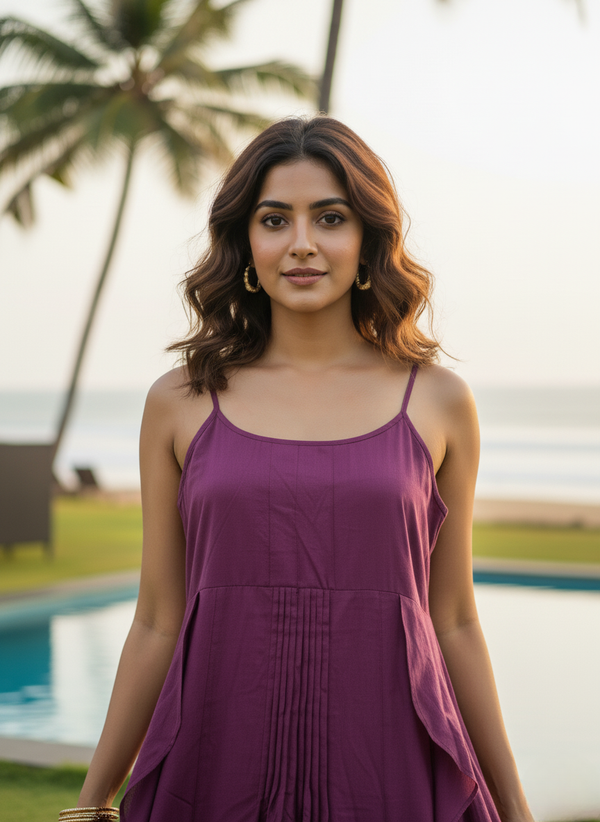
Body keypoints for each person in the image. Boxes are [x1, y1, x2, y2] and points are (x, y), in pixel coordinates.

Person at [68, 116, 534, 822]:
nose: (303, 243)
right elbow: (160, 619)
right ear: (246, 243)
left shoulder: (439, 401)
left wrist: (515, 806)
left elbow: (456, 620)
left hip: (391, 763)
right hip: (217, 761)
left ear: (367, 241)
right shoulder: (179, 402)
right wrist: (90, 800)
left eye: (332, 217)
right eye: (276, 219)